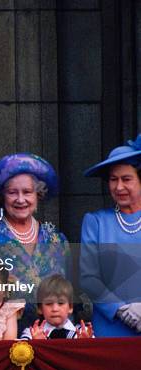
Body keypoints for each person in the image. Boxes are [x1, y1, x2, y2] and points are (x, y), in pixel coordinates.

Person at [0, 153, 69, 332]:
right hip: (2, 342)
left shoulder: (56, 240)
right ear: (2, 197)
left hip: (52, 341)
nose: (20, 199)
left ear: (38, 195)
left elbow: (71, 294)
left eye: (27, 192)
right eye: (12, 192)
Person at [80, 135, 141, 336]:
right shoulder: (96, 222)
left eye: (126, 179)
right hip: (111, 328)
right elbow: (89, 277)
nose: (119, 187)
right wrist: (121, 310)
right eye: (113, 180)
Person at [20, 275, 93, 340]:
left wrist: (85, 345)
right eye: (48, 303)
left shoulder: (84, 333)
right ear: (40, 308)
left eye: (61, 303)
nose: (55, 309)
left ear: (70, 307)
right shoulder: (31, 333)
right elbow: (20, 352)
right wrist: (36, 344)